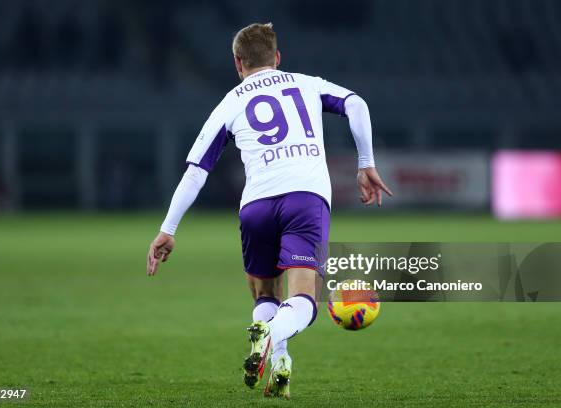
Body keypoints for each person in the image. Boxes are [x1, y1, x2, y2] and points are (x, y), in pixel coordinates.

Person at [146, 22, 392, 399]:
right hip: (304, 200)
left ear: (238, 64)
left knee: (264, 293)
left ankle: (280, 364)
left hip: (256, 206)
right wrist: (366, 163)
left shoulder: (230, 101)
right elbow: (356, 103)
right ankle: (272, 335)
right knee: (304, 301)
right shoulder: (307, 83)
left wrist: (169, 228)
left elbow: (196, 171)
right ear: (277, 58)